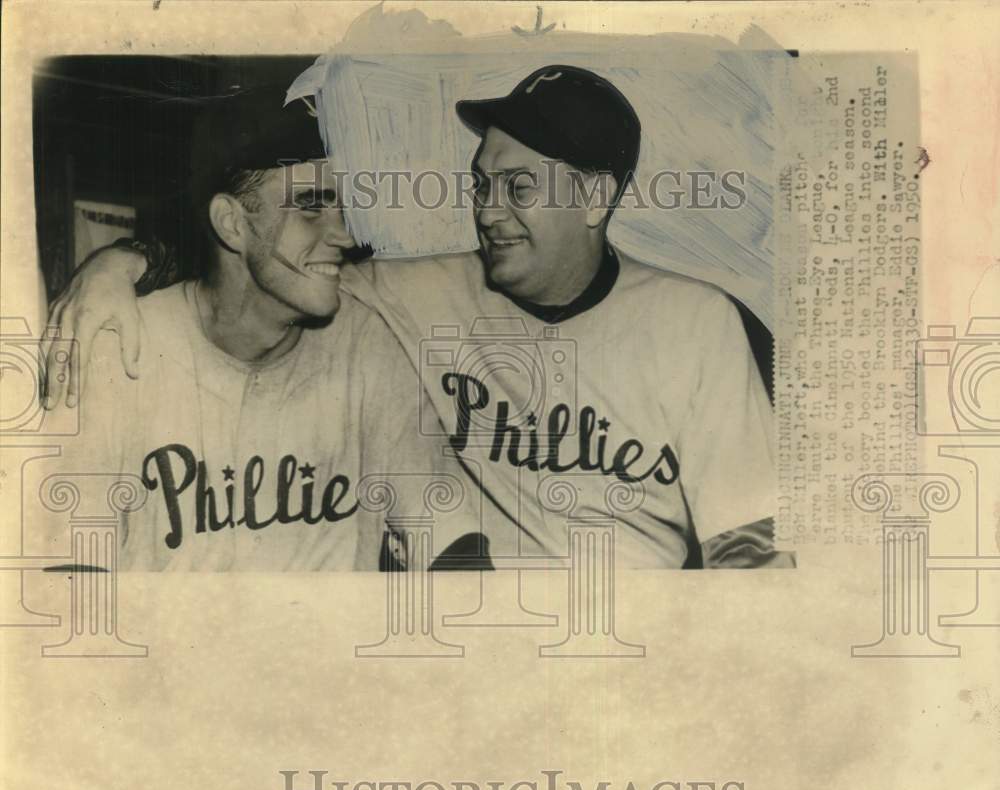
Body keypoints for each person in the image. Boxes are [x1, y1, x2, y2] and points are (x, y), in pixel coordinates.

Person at [44, 65, 791, 569]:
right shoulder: (412, 296)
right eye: (481, 183)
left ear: (594, 199)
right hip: (476, 649)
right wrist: (122, 263)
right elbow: (273, 266)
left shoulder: (698, 325)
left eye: (518, 187)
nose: (487, 212)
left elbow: (752, 548)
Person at [40, 85, 485, 571]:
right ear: (232, 224)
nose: (346, 233)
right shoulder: (121, 344)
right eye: (312, 207)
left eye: (346, 206)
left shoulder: (366, 342)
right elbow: (71, 571)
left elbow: (447, 532)